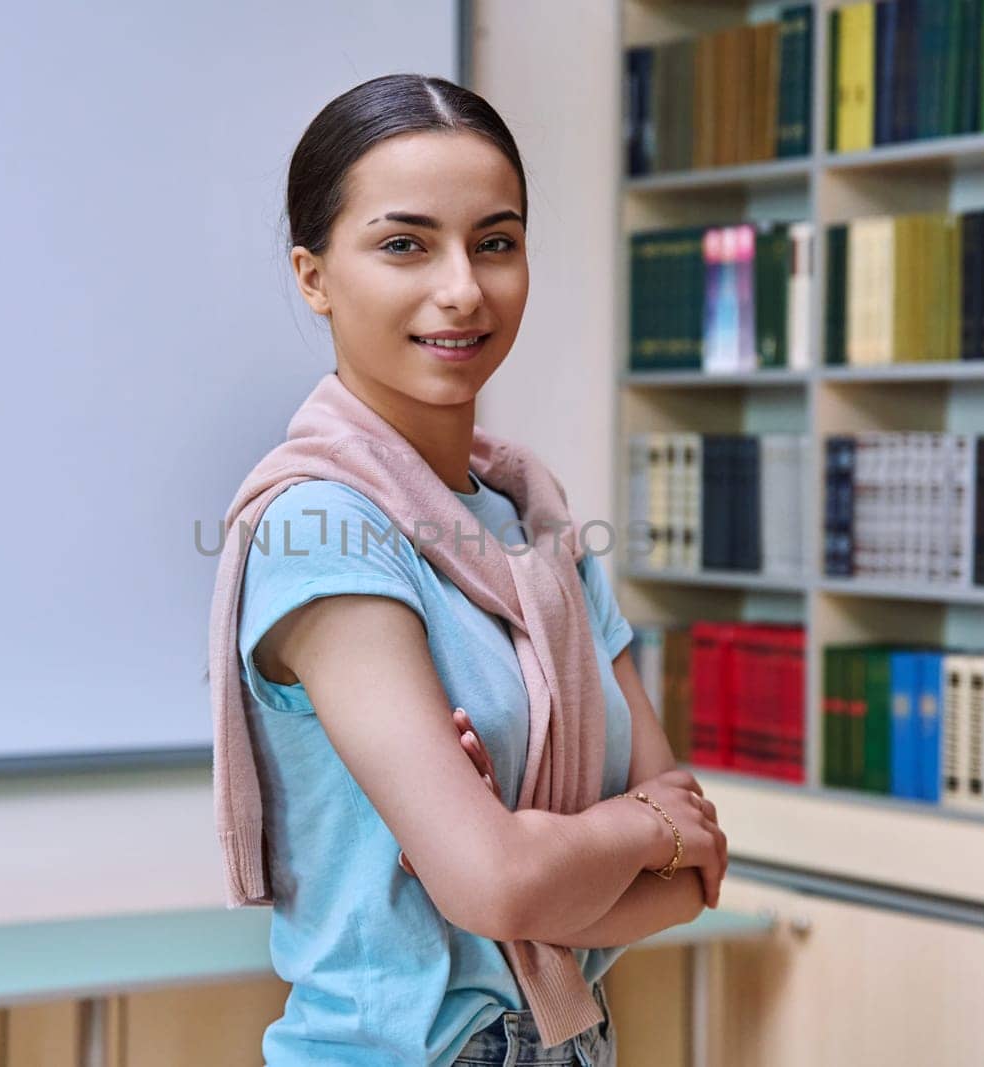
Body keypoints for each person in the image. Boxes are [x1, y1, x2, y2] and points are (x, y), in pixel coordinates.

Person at [229, 72, 727, 1066]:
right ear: (314, 273)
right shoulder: (324, 526)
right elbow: (496, 885)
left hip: (570, 1043)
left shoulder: (533, 522)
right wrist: (633, 825)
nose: (462, 287)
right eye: (404, 243)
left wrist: (538, 849)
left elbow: (695, 869)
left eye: (494, 242)